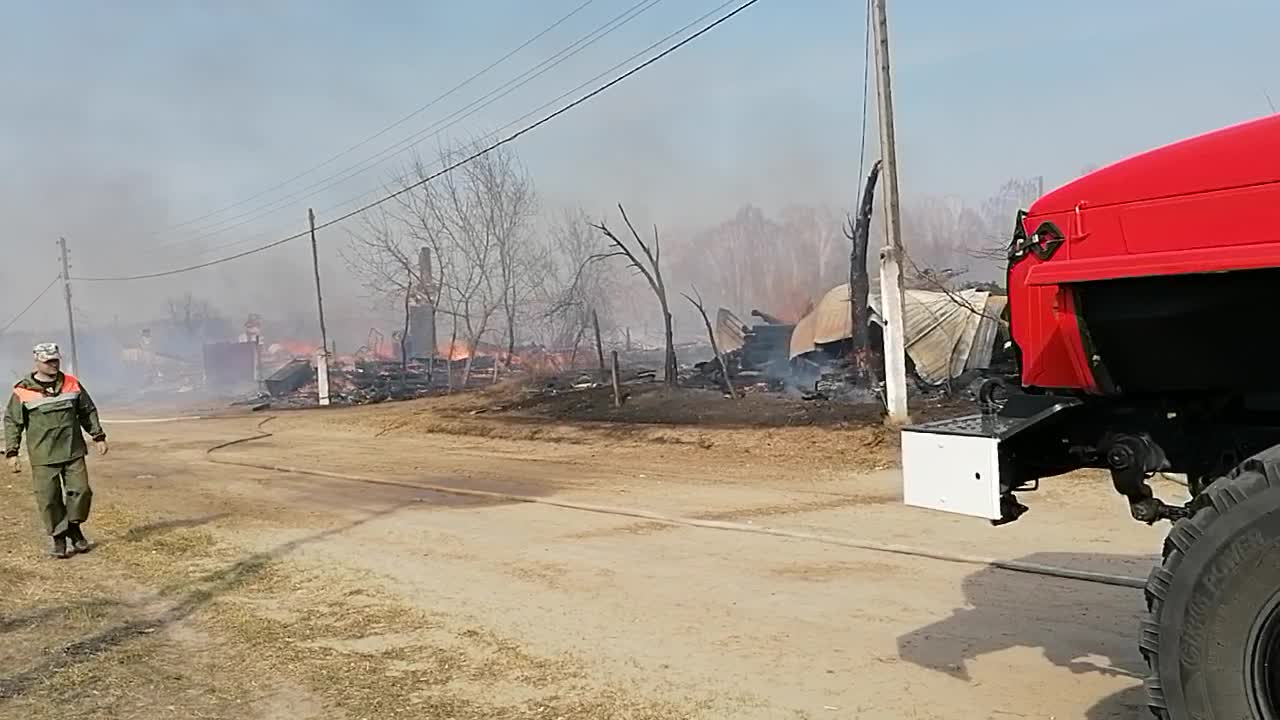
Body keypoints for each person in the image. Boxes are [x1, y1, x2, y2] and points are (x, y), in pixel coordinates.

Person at [3, 342, 108, 558]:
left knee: (81, 492)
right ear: (37, 362)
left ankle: (73, 526)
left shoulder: (71, 383)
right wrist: (12, 453)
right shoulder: (22, 390)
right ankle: (59, 538)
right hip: (43, 455)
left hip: (73, 450)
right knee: (49, 499)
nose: (53, 364)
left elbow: (87, 411)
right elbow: (13, 422)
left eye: (56, 360)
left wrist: (98, 436)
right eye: (48, 361)